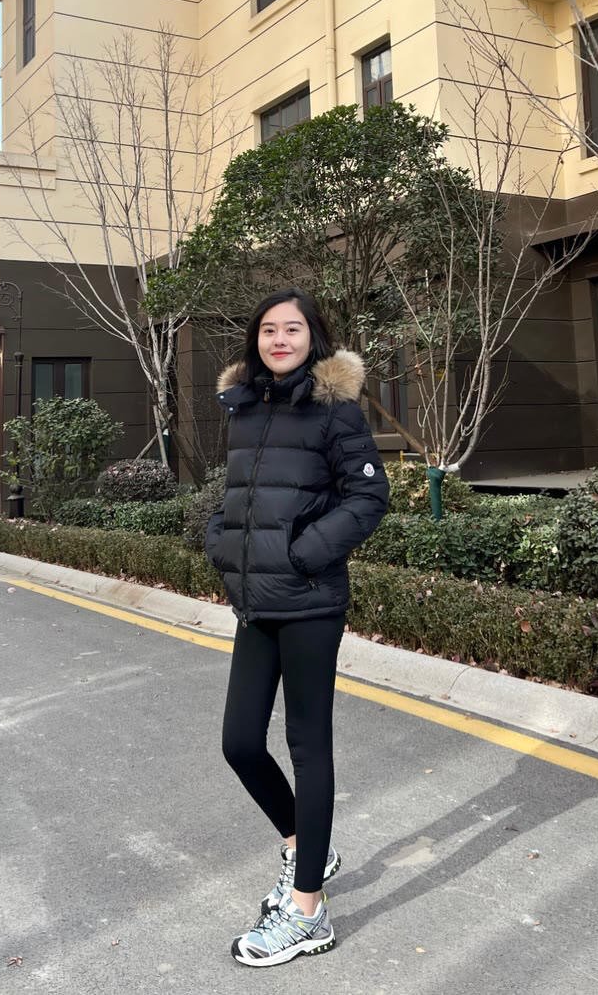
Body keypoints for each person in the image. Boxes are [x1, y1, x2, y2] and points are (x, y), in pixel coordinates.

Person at [204, 288, 389, 967]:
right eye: (268, 330)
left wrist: (303, 554)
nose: (279, 339)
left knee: (308, 748)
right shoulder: (245, 408)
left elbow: (369, 495)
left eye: (293, 329)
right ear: (255, 339)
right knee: (239, 743)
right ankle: (305, 846)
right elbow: (237, 496)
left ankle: (309, 911)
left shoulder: (336, 410)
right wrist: (221, 542)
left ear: (314, 338)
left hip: (310, 601)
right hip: (256, 602)